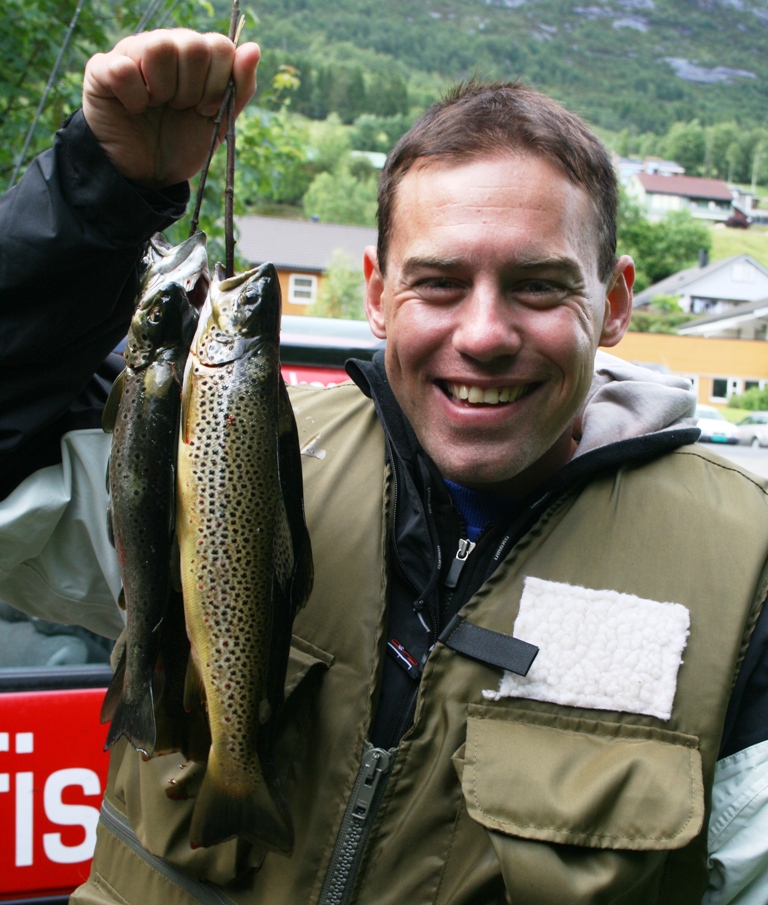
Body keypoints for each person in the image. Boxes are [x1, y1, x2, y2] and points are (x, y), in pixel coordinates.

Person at [1, 27, 767, 905]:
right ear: (375, 292)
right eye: (438, 282)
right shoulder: (231, 456)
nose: (484, 334)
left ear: (617, 300)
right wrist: (99, 190)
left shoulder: (743, 571)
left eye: (539, 285)